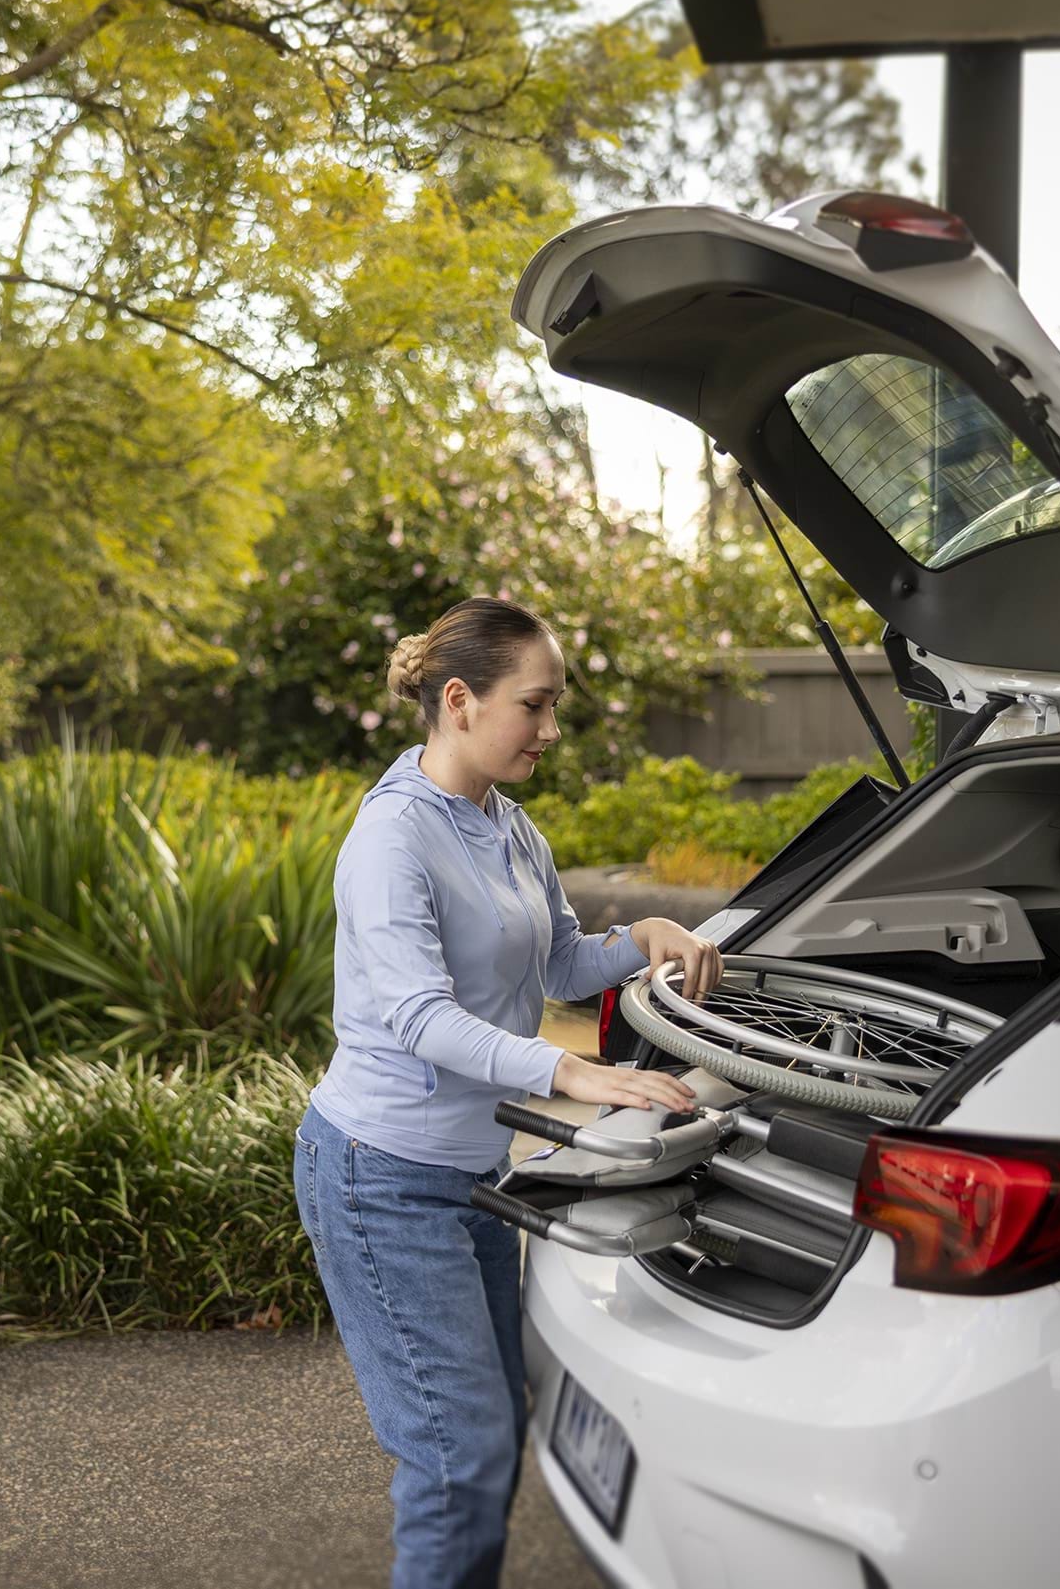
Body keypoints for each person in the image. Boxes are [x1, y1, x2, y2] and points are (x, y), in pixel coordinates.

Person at [293, 595, 721, 1589]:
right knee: (460, 1458)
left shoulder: (506, 823)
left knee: (495, 1430)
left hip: (472, 1172)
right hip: (380, 1179)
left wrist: (641, 938)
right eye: (536, 704)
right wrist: (568, 1070)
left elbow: (561, 958)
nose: (551, 728)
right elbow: (418, 1016)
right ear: (458, 700)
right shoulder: (393, 839)